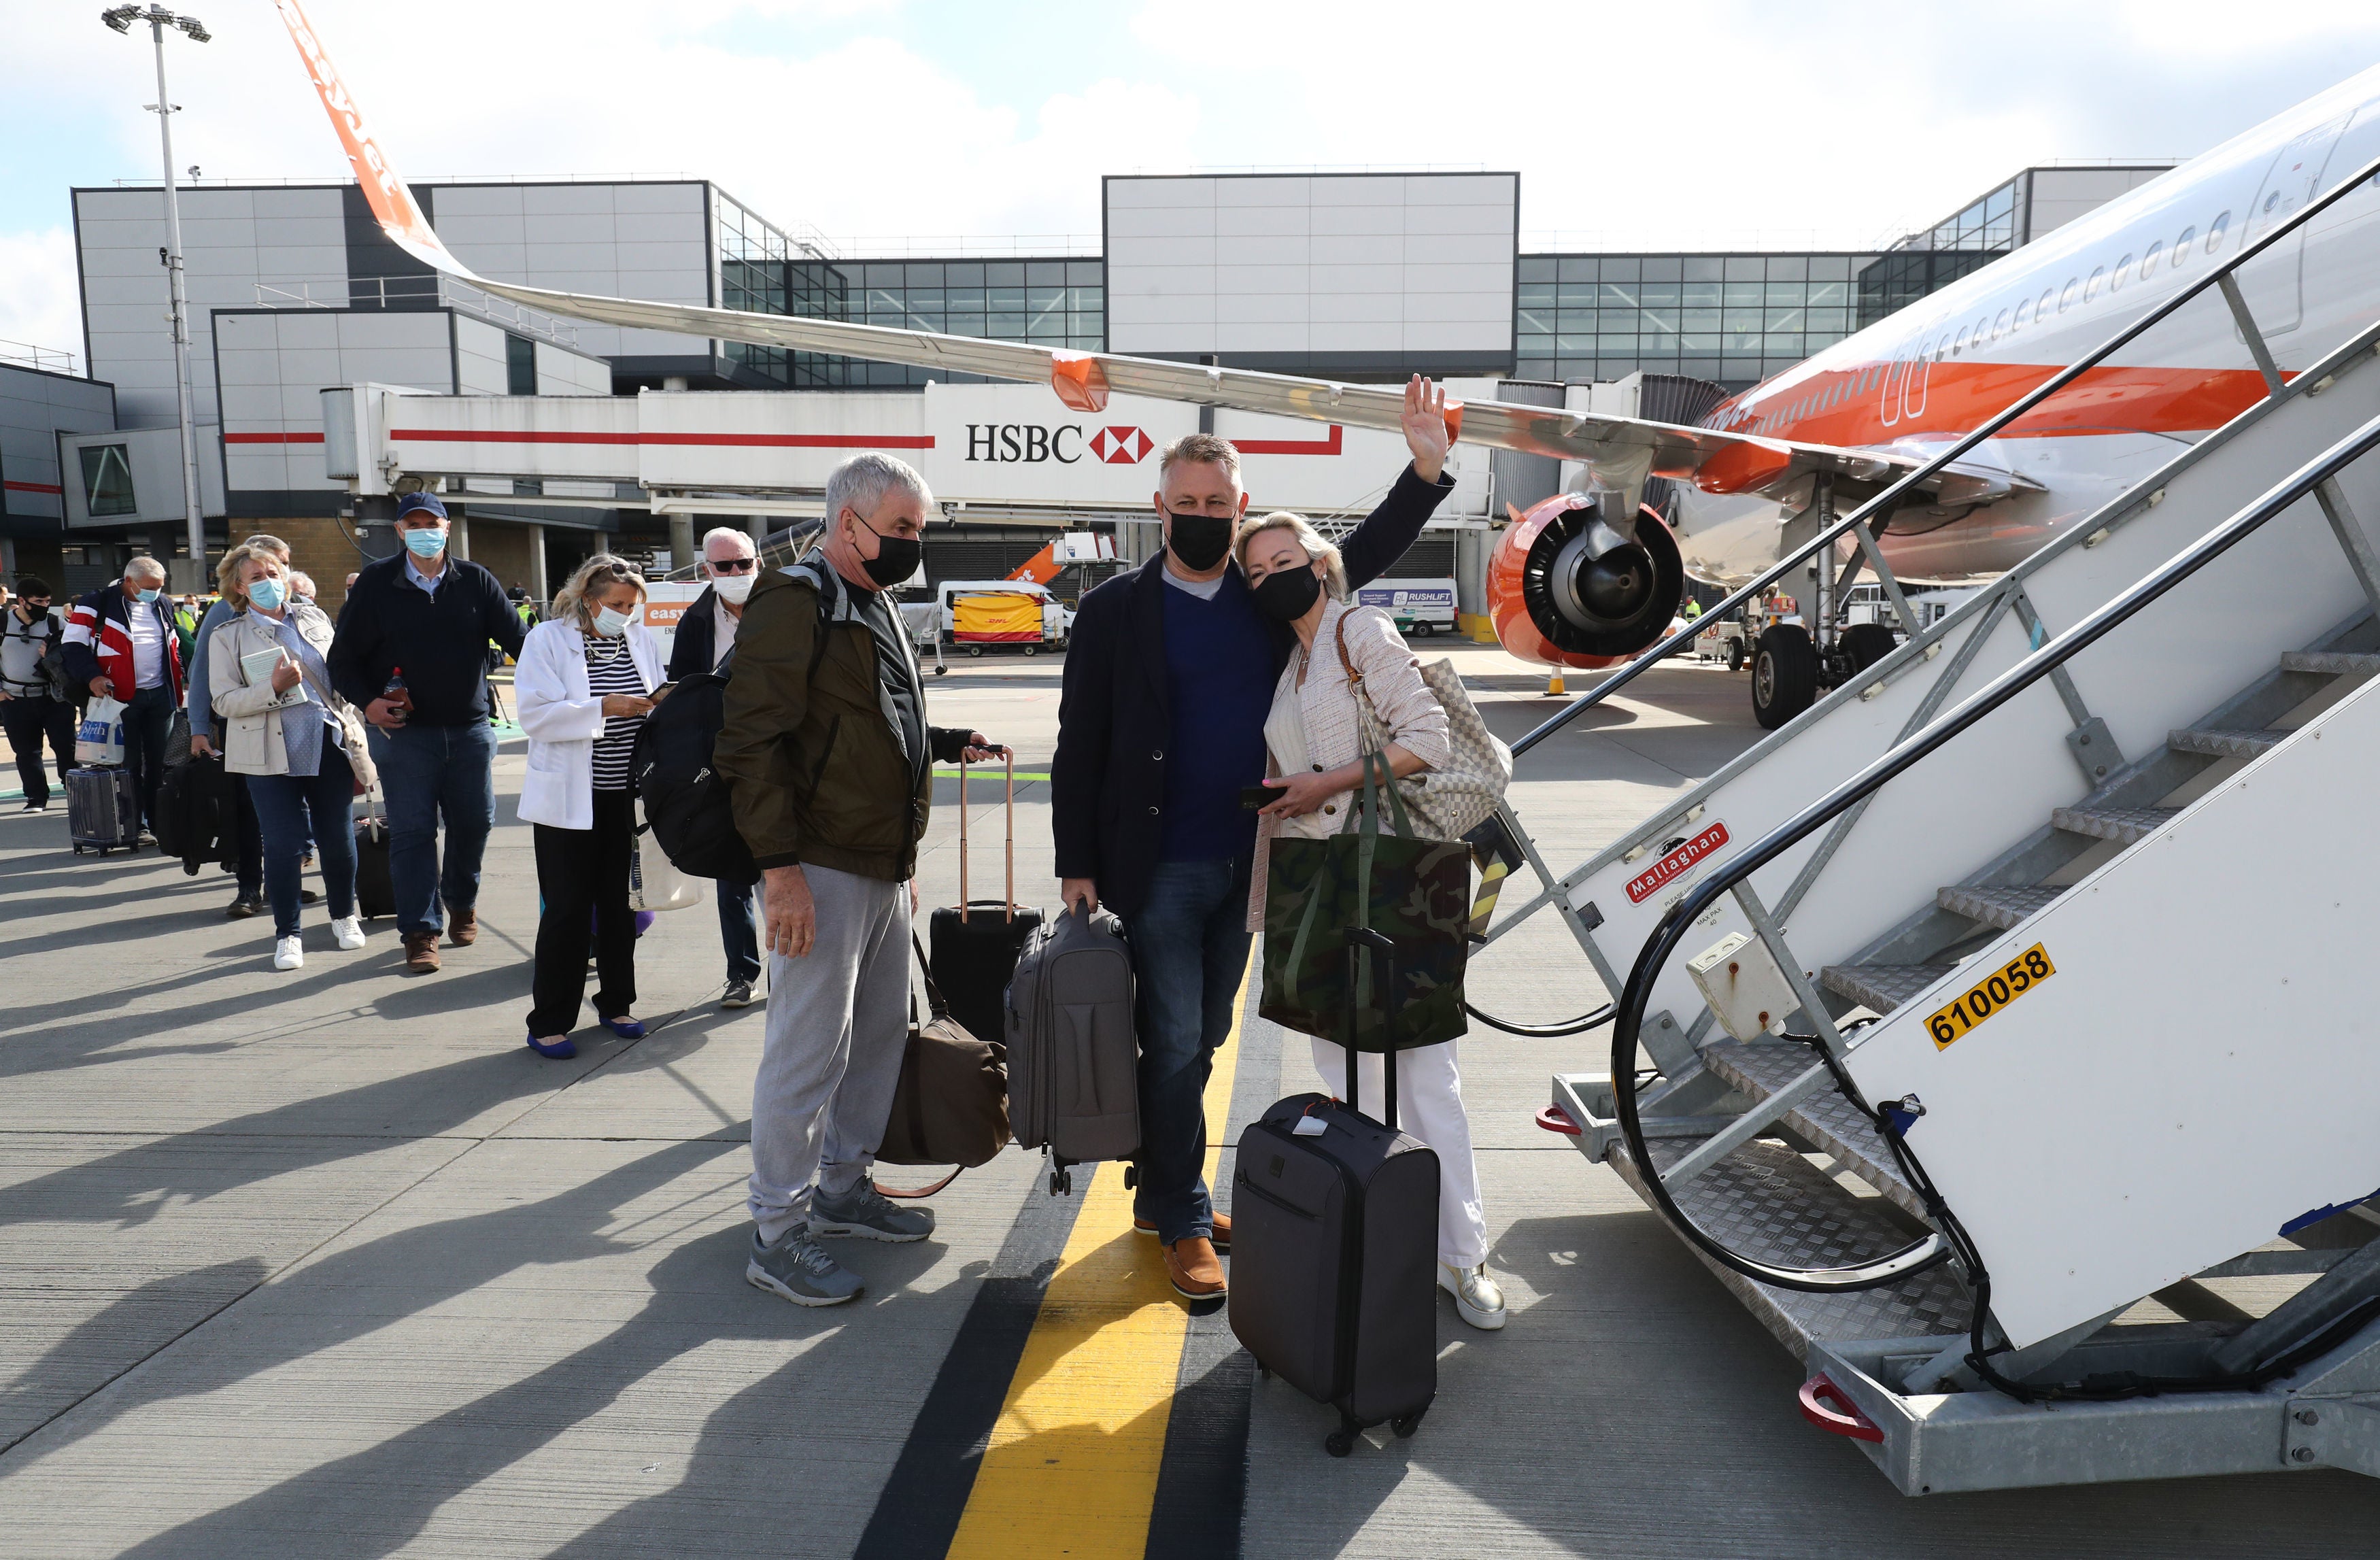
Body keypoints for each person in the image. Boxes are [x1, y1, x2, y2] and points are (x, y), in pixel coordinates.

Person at [1051, 375, 1456, 1301]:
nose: (1200, 516)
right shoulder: (1116, 609)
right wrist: (1077, 861)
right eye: (1185, 504)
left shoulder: (1260, 594)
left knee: (1209, 1032)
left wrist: (1426, 468)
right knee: (1180, 1033)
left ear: (1238, 513)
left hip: (1257, 859)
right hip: (1156, 866)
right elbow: (1082, 743)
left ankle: (1164, 1195)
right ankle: (1184, 1214)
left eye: (1216, 506)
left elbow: (1357, 554)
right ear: (1159, 508)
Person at [716, 452, 1004, 1308]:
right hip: (820, 866)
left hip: (880, 864)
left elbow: (866, 720)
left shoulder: (866, 601)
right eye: (903, 528)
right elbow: (750, 745)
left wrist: (944, 740)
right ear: (850, 524)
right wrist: (780, 874)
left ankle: (840, 1189)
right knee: (807, 1051)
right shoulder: (795, 600)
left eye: (919, 527)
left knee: (874, 1039)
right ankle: (776, 1231)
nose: (914, 544)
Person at [1236, 511, 1505, 1329]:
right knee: (1344, 1077)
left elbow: (1426, 739)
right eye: (1254, 572)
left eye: (1283, 559)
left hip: (1392, 877)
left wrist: (1327, 783)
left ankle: (1462, 1257)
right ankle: (1379, 1238)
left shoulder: (1358, 630)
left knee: (1426, 1079)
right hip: (1316, 884)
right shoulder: (1288, 666)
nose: (1270, 576)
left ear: (1319, 564)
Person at [328, 492, 526, 974]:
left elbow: (524, 641)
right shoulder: (376, 583)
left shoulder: (476, 581)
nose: (423, 530)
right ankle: (420, 931)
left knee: (475, 823)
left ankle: (461, 901)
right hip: (403, 735)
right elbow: (342, 660)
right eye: (412, 523)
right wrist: (369, 704)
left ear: (447, 527)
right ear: (399, 531)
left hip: (470, 730)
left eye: (430, 522)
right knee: (414, 832)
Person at [515, 555, 664, 1058]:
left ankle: (617, 1002)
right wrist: (603, 707)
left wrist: (659, 703)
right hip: (568, 802)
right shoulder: (548, 640)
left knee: (621, 909)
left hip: (623, 795)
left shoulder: (637, 638)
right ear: (587, 599)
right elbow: (535, 715)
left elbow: (652, 693)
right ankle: (550, 1020)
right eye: (617, 604)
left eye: (632, 605)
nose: (625, 613)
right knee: (567, 912)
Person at [208, 545, 370, 971]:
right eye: (256, 576)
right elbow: (223, 701)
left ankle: (344, 916)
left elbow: (340, 675)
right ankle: (288, 934)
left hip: (326, 743)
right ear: (239, 587)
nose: (268, 580)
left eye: (273, 571)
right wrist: (273, 687)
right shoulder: (228, 635)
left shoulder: (314, 618)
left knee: (338, 837)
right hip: (266, 753)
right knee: (281, 846)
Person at [666, 526, 765, 1008]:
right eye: (724, 566)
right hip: (724, 763)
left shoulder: (782, 608)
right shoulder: (695, 622)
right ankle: (741, 974)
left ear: (758, 562)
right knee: (733, 877)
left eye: (743, 563)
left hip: (784, 759)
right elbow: (682, 693)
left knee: (792, 875)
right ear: (707, 569)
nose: (736, 573)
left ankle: (796, 973)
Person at [192, 535, 295, 917]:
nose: (275, 578)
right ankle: (249, 888)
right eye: (263, 572)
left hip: (298, 729)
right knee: (250, 813)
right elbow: (203, 671)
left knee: (293, 815)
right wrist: (199, 728)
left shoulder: (300, 608)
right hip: (248, 727)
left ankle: (285, 884)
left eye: (280, 568)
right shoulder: (225, 613)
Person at [63, 556, 185, 845]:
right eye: (149, 587)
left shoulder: (162, 604)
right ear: (129, 581)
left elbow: (174, 643)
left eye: (159, 587)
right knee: (126, 764)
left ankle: (158, 823)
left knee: (158, 763)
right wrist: (92, 677)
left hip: (160, 695)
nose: (155, 592)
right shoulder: (98, 602)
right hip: (119, 697)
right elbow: (73, 645)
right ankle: (133, 824)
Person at [0, 577, 78, 813]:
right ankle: (36, 797)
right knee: (26, 751)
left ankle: (76, 792)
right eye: (38, 601)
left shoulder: (56, 624)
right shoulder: (3, 622)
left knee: (66, 747)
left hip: (54, 698)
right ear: (22, 601)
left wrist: (55, 654)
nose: (44, 605)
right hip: (15, 699)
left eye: (48, 601)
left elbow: (77, 656)